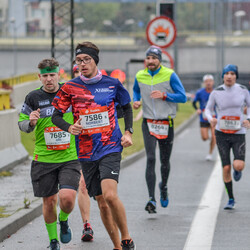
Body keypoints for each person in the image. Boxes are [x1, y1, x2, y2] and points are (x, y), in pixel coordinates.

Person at [52, 41, 136, 250]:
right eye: (78, 60)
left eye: (86, 59)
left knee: (109, 194)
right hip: (86, 151)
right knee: (101, 201)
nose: (82, 64)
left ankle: (126, 238)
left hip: (110, 146)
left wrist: (128, 132)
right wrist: (69, 127)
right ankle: (117, 246)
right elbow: (56, 116)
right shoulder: (70, 87)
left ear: (95, 60)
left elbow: (126, 107)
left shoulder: (112, 84)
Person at [18, 58, 81, 250]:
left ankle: (63, 219)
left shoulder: (69, 92)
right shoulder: (33, 98)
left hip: (69, 156)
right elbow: (22, 125)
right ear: (39, 77)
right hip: (43, 158)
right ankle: (53, 241)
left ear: (59, 74)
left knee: (68, 199)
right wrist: (31, 121)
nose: (49, 79)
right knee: (50, 200)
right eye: (44, 76)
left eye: (52, 75)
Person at [133, 45, 187, 214]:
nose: (150, 61)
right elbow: (136, 90)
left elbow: (183, 97)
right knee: (150, 158)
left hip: (166, 123)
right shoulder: (139, 75)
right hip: (148, 122)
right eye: (148, 58)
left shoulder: (170, 74)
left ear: (159, 60)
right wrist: (136, 101)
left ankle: (163, 186)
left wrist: (165, 96)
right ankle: (151, 198)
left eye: (154, 58)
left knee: (164, 161)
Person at [205, 64, 250, 210]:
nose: (229, 76)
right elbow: (208, 109)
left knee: (238, 165)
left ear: (236, 76)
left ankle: (238, 170)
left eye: (232, 73)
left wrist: (248, 119)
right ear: (223, 76)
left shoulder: (243, 90)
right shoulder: (216, 92)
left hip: (238, 133)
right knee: (225, 168)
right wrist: (211, 118)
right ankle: (231, 199)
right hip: (222, 133)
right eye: (227, 74)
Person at [72, 62, 94, 242]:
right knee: (82, 185)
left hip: (93, 145)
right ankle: (87, 225)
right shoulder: (64, 94)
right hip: (72, 148)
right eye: (75, 72)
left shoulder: (92, 94)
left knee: (98, 190)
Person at [192, 74, 216, 161]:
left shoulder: (216, 92)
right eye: (206, 81)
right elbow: (194, 102)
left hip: (214, 118)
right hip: (204, 117)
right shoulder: (200, 92)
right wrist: (197, 109)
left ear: (213, 82)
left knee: (214, 137)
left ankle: (210, 153)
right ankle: (208, 137)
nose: (208, 83)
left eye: (210, 81)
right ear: (204, 83)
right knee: (205, 138)